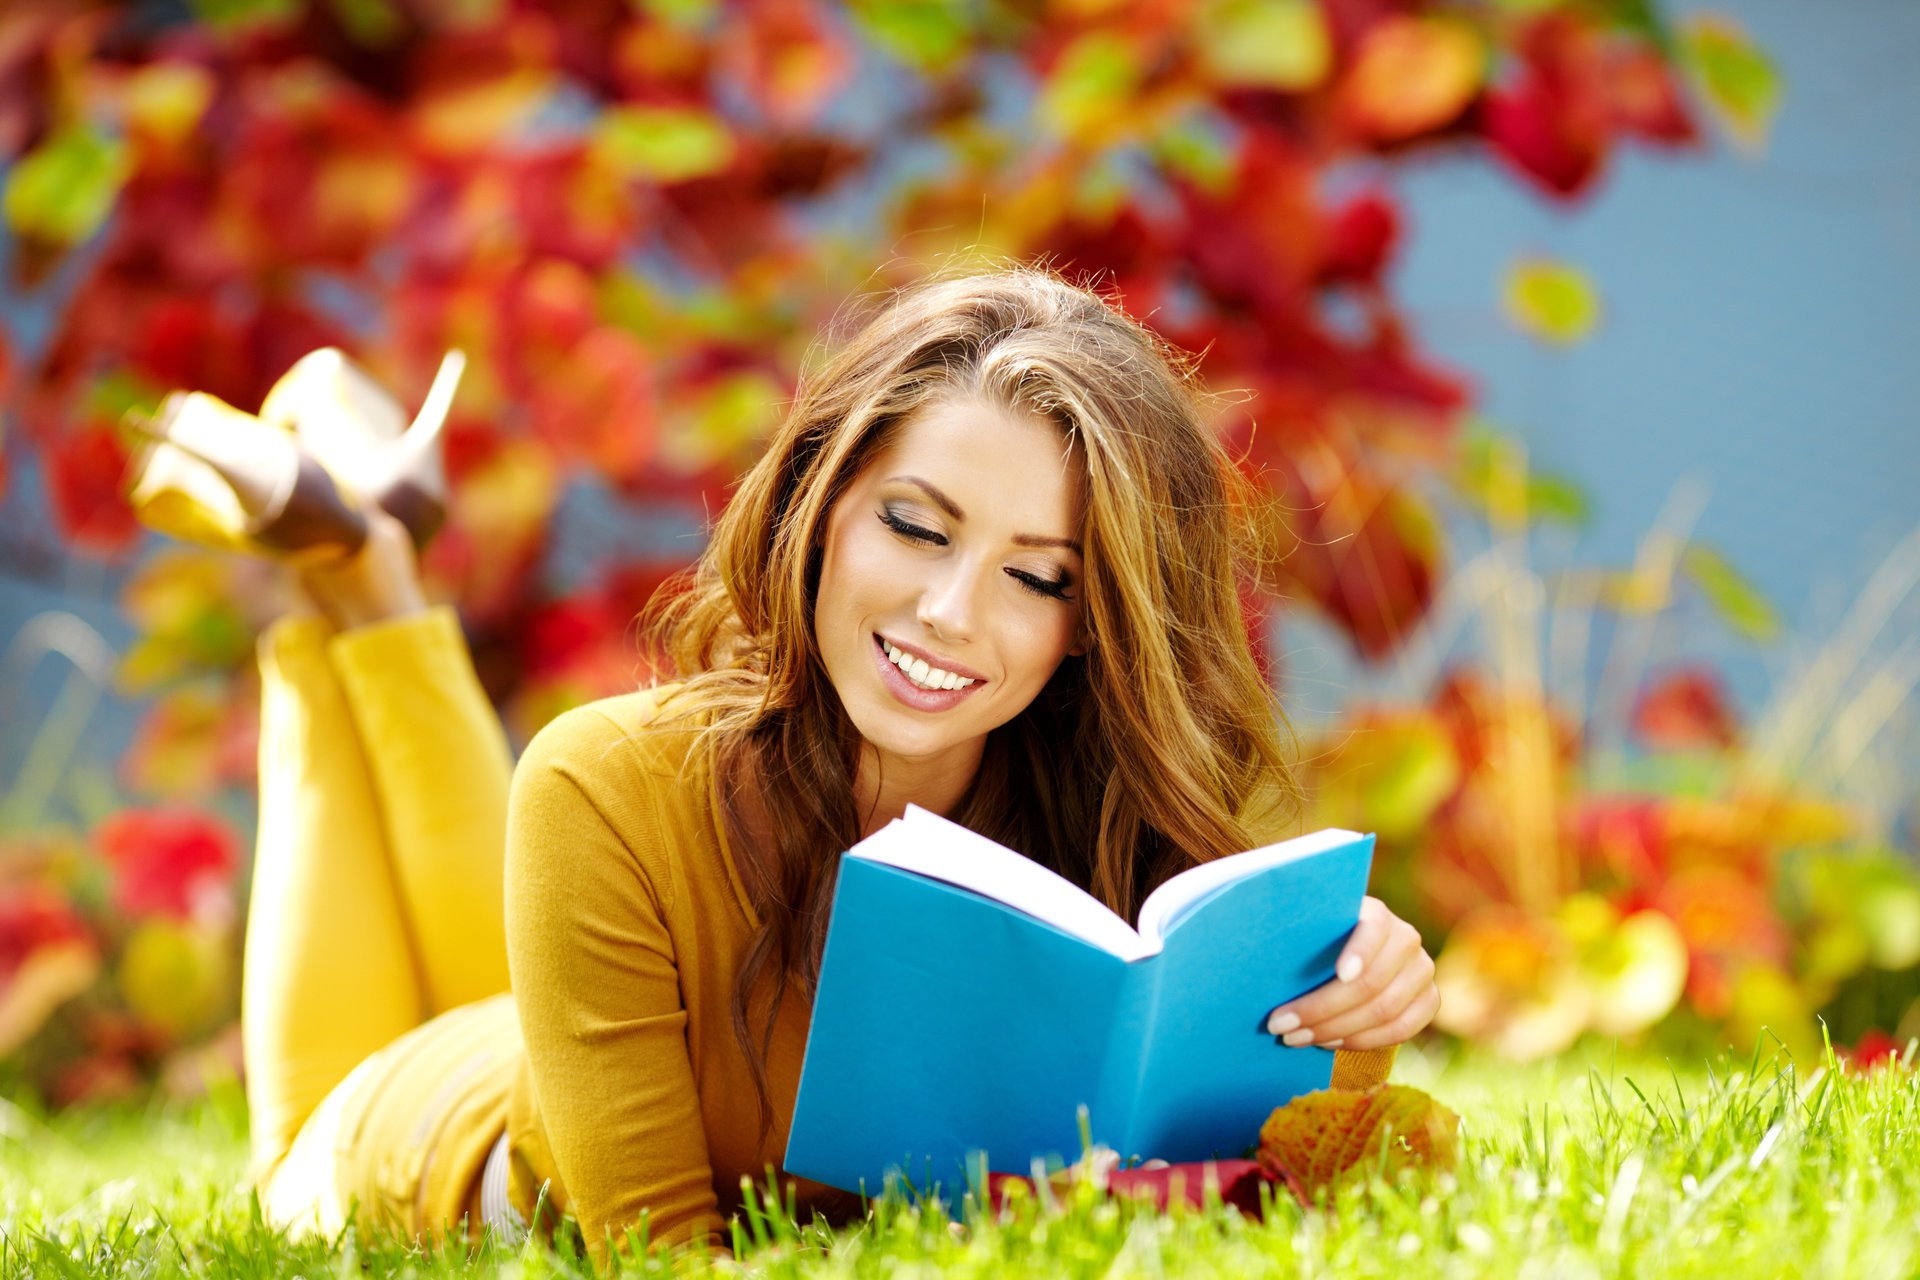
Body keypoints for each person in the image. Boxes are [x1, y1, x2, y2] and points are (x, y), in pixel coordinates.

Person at [124, 267, 1440, 1269]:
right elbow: (663, 1258)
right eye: (916, 527)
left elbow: (1247, 1181)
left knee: (535, 925)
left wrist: (1351, 1016)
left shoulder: (1109, 837)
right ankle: (344, 573)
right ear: (822, 499)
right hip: (419, 1130)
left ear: (1101, 622)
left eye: (1038, 576)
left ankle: (363, 544)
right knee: (307, 1120)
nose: (949, 612)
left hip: (580, 1030)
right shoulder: (615, 784)